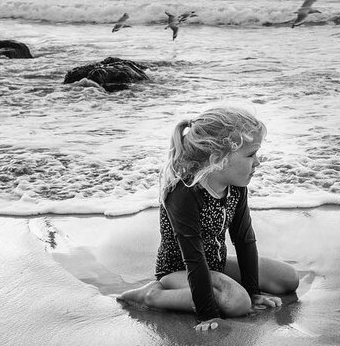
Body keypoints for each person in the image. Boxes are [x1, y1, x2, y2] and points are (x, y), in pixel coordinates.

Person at [118, 107, 299, 331]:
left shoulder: (236, 187)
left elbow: (244, 240)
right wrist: (208, 314)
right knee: (236, 302)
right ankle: (152, 295)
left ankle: (230, 289)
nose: (258, 162)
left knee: (288, 279)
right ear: (218, 159)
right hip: (179, 270)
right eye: (251, 155)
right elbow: (193, 258)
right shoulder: (185, 193)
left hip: (215, 264)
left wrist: (254, 292)